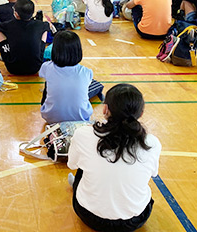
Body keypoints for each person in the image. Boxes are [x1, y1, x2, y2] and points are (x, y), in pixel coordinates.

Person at [67, 84, 161, 232]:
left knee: (82, 168)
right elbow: (153, 173)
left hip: (89, 215)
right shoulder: (152, 143)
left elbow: (72, 164)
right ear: (141, 113)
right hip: (135, 220)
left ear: (105, 109)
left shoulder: (83, 134)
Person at [39, 31, 93, 124]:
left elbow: (42, 75)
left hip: (50, 117)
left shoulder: (46, 67)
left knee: (48, 84)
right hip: (81, 118)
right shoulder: (87, 72)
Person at [0, 0, 50, 75]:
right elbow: (47, 25)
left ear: (16, 14)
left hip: (13, 68)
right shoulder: (40, 24)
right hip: (35, 67)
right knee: (44, 30)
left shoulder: (9, 25)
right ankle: (38, 52)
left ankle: (5, 51)